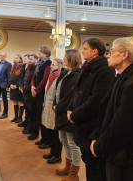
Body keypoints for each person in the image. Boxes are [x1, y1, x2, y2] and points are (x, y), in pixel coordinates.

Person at [90, 37, 133, 181]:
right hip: (116, 153)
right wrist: (97, 138)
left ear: (125, 54)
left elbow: (122, 127)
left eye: (112, 51)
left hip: (126, 160)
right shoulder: (122, 78)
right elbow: (107, 114)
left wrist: (99, 146)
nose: (108, 55)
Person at [67, 38, 115, 181]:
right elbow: (78, 92)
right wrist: (70, 108)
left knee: (95, 169)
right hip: (83, 123)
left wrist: (75, 114)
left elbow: (97, 100)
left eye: (85, 49)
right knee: (88, 163)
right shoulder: (88, 67)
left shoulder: (104, 70)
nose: (82, 51)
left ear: (95, 51)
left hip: (92, 126)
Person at [53, 50, 82, 180]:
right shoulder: (65, 72)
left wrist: (58, 107)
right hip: (60, 111)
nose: (64, 59)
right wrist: (55, 103)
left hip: (69, 112)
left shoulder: (77, 75)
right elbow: (57, 90)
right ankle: (67, 167)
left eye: (66, 57)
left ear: (72, 59)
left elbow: (69, 96)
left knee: (72, 143)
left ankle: (74, 173)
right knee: (63, 140)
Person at [41, 58, 63, 164]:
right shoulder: (51, 76)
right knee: (50, 131)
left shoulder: (59, 77)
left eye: (53, 65)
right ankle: (52, 151)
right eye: (51, 65)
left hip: (54, 107)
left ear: (59, 66)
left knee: (55, 132)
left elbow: (58, 94)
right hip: (48, 104)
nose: (51, 66)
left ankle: (57, 155)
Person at [29, 46, 52, 142]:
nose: (38, 52)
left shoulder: (48, 63)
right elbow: (34, 77)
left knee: (41, 115)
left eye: (40, 51)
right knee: (35, 113)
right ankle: (37, 134)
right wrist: (32, 86)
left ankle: (44, 138)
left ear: (46, 53)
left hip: (41, 93)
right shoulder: (38, 63)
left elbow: (45, 79)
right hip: (35, 91)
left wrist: (36, 90)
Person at [20, 54, 38, 135]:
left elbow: (32, 82)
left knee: (31, 113)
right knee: (27, 112)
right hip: (25, 94)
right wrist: (21, 87)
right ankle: (28, 126)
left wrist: (24, 89)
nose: (29, 61)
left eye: (31, 59)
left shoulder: (36, 69)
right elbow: (24, 79)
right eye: (29, 59)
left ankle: (32, 129)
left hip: (30, 95)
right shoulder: (28, 68)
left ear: (36, 61)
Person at [0, 52, 12, 119]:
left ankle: (5, 113)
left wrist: (8, 85)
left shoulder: (8, 64)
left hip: (4, 84)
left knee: (4, 99)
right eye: (1, 55)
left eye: (3, 56)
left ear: (5, 57)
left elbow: (9, 76)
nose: (2, 57)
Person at [8, 54, 24, 123]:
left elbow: (21, 78)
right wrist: (10, 84)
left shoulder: (22, 66)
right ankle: (16, 117)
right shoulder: (13, 66)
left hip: (18, 87)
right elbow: (10, 77)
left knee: (20, 101)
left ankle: (20, 118)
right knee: (14, 101)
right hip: (13, 86)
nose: (16, 59)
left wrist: (16, 85)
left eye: (17, 58)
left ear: (20, 59)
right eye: (15, 58)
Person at [17, 54, 30, 128]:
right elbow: (21, 78)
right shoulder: (23, 67)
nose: (24, 60)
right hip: (23, 89)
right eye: (24, 59)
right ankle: (25, 121)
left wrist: (24, 88)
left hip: (27, 90)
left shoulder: (30, 68)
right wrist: (20, 86)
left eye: (25, 59)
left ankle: (27, 122)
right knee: (25, 107)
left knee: (28, 108)